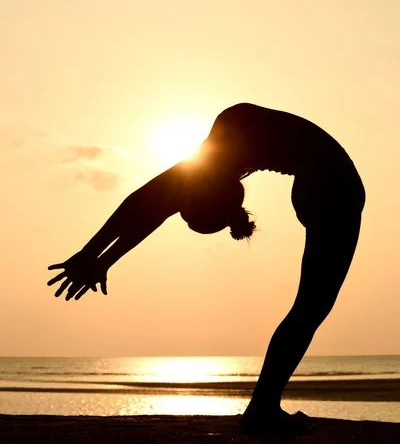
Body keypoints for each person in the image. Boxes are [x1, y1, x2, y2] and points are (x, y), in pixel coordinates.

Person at [48, 103, 366, 436]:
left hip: (333, 187)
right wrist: (97, 258)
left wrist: (95, 256)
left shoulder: (216, 158)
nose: (178, 204)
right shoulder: (217, 159)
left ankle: (263, 409)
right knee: (310, 308)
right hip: (333, 186)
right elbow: (152, 204)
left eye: (184, 208)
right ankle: (263, 409)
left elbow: (149, 203)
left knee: (309, 308)